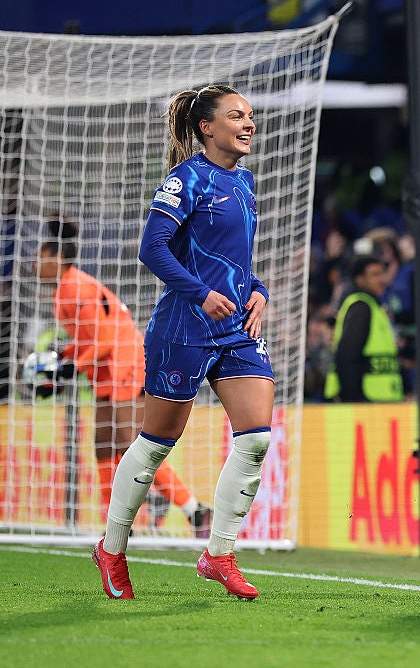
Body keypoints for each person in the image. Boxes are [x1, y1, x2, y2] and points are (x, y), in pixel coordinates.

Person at [93, 85, 274, 601]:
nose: (248, 124)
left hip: (236, 325)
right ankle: (111, 548)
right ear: (206, 127)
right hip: (184, 327)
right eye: (237, 116)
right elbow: (152, 248)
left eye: (251, 116)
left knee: (256, 437)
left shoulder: (245, 182)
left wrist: (257, 291)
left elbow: (235, 260)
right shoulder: (185, 179)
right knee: (155, 445)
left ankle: (219, 554)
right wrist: (200, 293)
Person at [36, 220, 210, 533]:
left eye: (41, 257)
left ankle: (192, 508)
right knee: (103, 443)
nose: (36, 265)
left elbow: (105, 339)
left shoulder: (76, 287)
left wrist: (70, 367)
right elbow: (89, 339)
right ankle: (116, 522)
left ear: (57, 258)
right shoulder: (63, 292)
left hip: (124, 361)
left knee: (134, 443)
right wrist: (62, 363)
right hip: (104, 369)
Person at [323, 255, 403, 402]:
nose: (382, 279)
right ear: (360, 280)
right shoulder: (360, 307)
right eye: (375, 275)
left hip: (380, 398)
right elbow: (347, 356)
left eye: (382, 273)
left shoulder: (375, 307)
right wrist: (355, 400)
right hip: (365, 400)